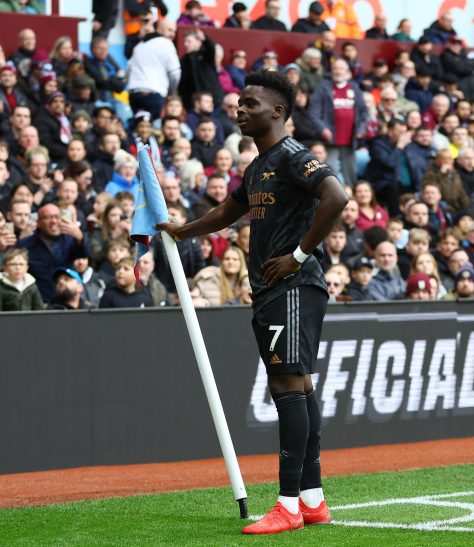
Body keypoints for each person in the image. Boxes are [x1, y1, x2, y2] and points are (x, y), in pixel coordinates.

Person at [157, 70, 348, 535]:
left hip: (294, 288)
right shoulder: (258, 165)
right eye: (238, 104)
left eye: (249, 104)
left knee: (287, 387)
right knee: (297, 386)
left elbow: (336, 196)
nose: (238, 109)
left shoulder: (293, 156)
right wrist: (182, 231)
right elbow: (231, 209)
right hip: (270, 291)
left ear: (278, 111)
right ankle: (312, 498)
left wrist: (299, 255)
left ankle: (287, 505)